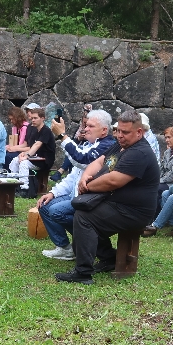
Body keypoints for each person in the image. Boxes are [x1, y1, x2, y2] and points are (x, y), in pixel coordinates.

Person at [55, 110, 160, 285]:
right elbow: (99, 161)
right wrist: (84, 178)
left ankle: (83, 273)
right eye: (118, 131)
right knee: (83, 211)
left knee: (83, 218)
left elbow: (113, 181)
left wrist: (87, 185)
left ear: (139, 132)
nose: (120, 135)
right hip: (117, 203)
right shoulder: (121, 145)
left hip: (134, 211)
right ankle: (108, 258)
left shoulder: (139, 152)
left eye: (125, 132)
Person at [38, 110, 115, 261]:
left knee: (56, 211)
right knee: (44, 205)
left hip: (91, 200)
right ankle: (65, 248)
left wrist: (62, 136)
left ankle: (91, 239)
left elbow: (81, 159)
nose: (86, 129)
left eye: (90, 126)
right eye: (86, 125)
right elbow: (73, 174)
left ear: (104, 130)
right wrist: (53, 193)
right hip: (77, 196)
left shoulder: (107, 145)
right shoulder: (89, 144)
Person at [8, 107, 54, 194]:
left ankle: (24, 188)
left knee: (24, 163)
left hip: (45, 160)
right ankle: (13, 184)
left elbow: (37, 145)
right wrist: (23, 154)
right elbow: (31, 146)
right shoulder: (35, 130)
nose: (33, 120)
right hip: (36, 157)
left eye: (35, 118)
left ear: (42, 118)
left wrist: (27, 156)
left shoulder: (46, 131)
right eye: (32, 118)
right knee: (15, 160)